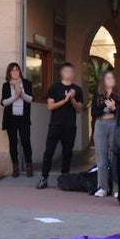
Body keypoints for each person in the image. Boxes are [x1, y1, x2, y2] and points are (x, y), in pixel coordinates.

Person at [36, 62, 84, 190]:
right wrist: (65, 100)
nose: (69, 73)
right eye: (66, 71)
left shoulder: (77, 89)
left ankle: (64, 179)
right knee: (49, 152)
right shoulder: (54, 88)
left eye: (71, 71)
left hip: (70, 126)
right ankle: (44, 178)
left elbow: (79, 109)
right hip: (55, 125)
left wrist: (72, 99)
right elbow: (50, 106)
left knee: (67, 153)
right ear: (62, 73)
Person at [91, 70, 120, 198]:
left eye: (112, 78)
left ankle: (116, 188)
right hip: (100, 125)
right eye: (107, 78)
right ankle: (102, 187)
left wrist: (114, 108)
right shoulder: (98, 96)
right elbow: (94, 113)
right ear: (103, 81)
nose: (110, 80)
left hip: (114, 124)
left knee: (114, 156)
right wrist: (106, 109)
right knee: (101, 157)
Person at [0, 62, 34, 177]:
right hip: (11, 119)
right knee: (13, 143)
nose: (15, 72)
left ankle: (29, 166)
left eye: (17, 70)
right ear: (9, 73)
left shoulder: (27, 83)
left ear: (20, 71)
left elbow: (30, 99)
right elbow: (4, 102)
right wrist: (15, 96)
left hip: (23, 119)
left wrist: (21, 93)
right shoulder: (6, 85)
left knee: (26, 142)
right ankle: (15, 167)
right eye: (12, 70)